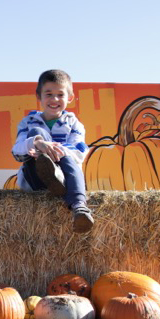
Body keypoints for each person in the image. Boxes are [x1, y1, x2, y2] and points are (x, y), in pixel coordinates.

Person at [11, 69, 93, 233]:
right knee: (36, 133)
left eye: (60, 95)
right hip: (36, 179)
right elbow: (16, 153)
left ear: (69, 98)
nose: (54, 99)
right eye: (48, 94)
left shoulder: (75, 124)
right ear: (38, 96)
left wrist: (52, 148)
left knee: (69, 157)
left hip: (65, 180)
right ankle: (50, 176)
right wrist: (37, 144)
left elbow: (79, 153)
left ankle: (79, 206)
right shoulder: (27, 123)